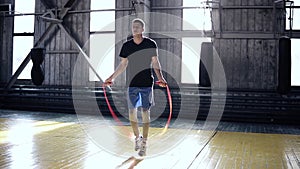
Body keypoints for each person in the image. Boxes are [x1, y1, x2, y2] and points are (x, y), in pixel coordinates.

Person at [104, 18, 167, 156]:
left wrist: (160, 78)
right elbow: (123, 65)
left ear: (143, 29)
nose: (135, 28)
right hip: (131, 84)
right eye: (133, 26)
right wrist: (111, 77)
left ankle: (144, 142)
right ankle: (137, 138)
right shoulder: (127, 46)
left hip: (146, 83)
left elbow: (155, 62)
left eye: (138, 26)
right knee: (132, 113)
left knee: (145, 113)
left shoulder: (150, 43)